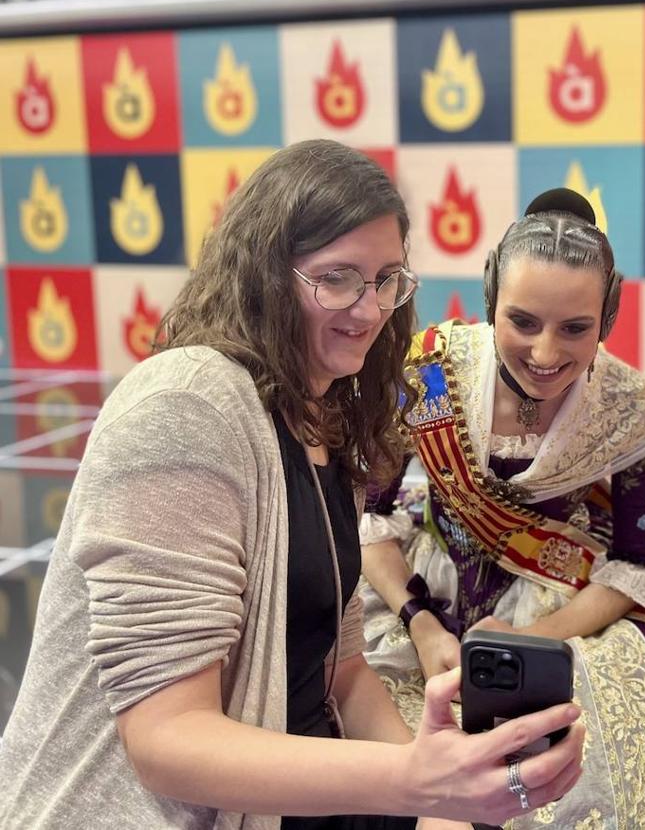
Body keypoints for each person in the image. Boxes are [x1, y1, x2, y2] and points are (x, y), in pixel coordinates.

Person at [0, 140, 584, 830]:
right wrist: (416, 781)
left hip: (295, 787)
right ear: (267, 275)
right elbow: (166, 741)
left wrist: (443, 806)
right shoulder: (185, 405)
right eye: (337, 278)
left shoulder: (325, 415)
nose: (370, 311)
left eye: (387, 279)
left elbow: (342, 672)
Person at [357, 188, 645, 828]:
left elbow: (636, 565)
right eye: (522, 322)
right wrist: (418, 620)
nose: (547, 353)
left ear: (607, 315)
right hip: (424, 590)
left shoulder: (628, 404)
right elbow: (371, 523)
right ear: (490, 298)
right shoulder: (432, 372)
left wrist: (530, 642)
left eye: (575, 328)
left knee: (598, 758)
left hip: (559, 599)